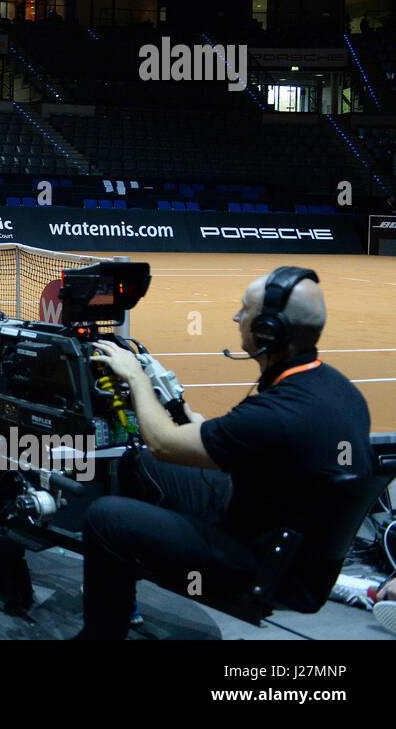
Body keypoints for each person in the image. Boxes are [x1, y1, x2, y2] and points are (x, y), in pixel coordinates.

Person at [73, 267, 372, 639]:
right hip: (284, 531)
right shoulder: (336, 389)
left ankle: (102, 633)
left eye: (244, 310)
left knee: (106, 517)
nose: (236, 317)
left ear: (269, 330)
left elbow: (162, 443)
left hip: (259, 562)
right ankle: (120, 592)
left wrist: (135, 376)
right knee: (137, 463)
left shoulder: (274, 416)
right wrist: (201, 425)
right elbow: (253, 443)